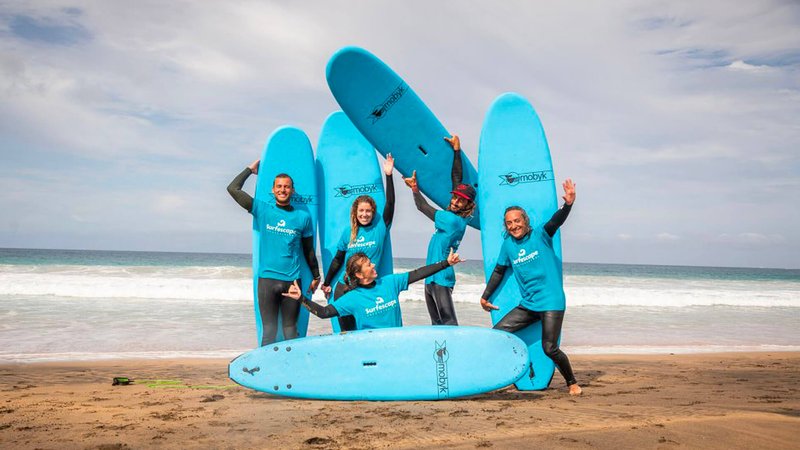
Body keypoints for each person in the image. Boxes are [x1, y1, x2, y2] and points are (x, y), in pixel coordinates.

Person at [480, 179, 582, 396]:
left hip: (551, 302)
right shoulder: (508, 245)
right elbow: (499, 271)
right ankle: (509, 374)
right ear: (505, 226)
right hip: (528, 304)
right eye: (509, 223)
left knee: (549, 348)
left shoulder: (540, 235)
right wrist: (485, 296)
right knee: (497, 334)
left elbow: (556, 221)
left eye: (517, 221)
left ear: (525, 221)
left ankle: (572, 382)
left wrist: (568, 205)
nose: (514, 226)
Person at [227, 159, 321, 346]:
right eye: (279, 186)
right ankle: (267, 373)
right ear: (273, 189)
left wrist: (316, 275)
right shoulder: (262, 209)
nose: (282, 190)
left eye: (286, 187)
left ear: (292, 191)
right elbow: (233, 189)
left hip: (292, 280)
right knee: (269, 332)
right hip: (267, 280)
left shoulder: (302, 217)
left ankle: (293, 369)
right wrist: (249, 170)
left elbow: (308, 250)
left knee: (291, 331)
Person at [284, 249, 463, 330]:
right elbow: (324, 312)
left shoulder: (390, 283)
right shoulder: (352, 298)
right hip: (371, 347)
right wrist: (301, 298)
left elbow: (418, 273)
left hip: (396, 342)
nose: (374, 265)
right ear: (360, 275)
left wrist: (446, 263)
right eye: (369, 265)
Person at [403, 135, 475, 326]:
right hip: (431, 277)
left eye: (460, 200)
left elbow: (422, 207)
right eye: (455, 197)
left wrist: (415, 188)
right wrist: (457, 151)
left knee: (449, 323)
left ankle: (458, 354)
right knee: (437, 325)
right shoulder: (461, 216)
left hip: (441, 278)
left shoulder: (452, 220)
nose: (454, 200)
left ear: (468, 204)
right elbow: (456, 180)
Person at [320, 154, 396, 331]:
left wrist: (389, 175)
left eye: (368, 211)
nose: (364, 214)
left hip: (364, 288)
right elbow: (338, 259)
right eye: (361, 211)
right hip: (343, 286)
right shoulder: (348, 232)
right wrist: (327, 283)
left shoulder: (380, 228)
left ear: (373, 212)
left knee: (364, 329)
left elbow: (390, 204)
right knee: (346, 333)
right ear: (355, 212)